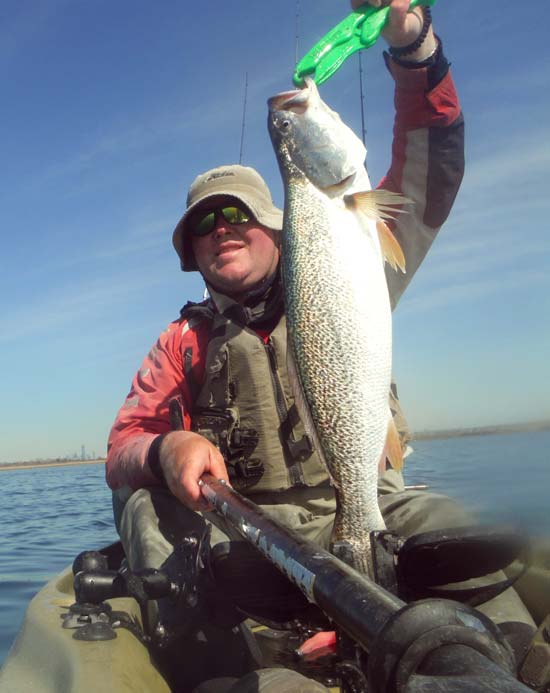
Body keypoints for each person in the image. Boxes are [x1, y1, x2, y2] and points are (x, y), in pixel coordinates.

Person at [105, 2, 534, 690]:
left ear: (277, 225)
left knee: (470, 546)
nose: (222, 228)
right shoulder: (182, 340)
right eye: (204, 225)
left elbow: (432, 161)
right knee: (169, 534)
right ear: (192, 254)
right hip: (260, 524)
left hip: (376, 494)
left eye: (238, 213)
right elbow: (124, 442)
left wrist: (412, 45)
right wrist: (165, 448)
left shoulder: (358, 250)